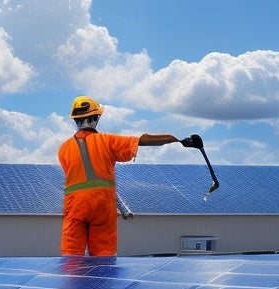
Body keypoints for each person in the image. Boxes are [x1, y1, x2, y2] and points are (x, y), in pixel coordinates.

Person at [58, 96, 202, 257]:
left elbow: (82, 178)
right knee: (103, 254)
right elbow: (143, 140)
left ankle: (73, 278)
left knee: (71, 255)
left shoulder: (63, 149)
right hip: (102, 205)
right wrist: (177, 140)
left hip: (74, 206)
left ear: (76, 120)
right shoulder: (107, 141)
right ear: (95, 118)